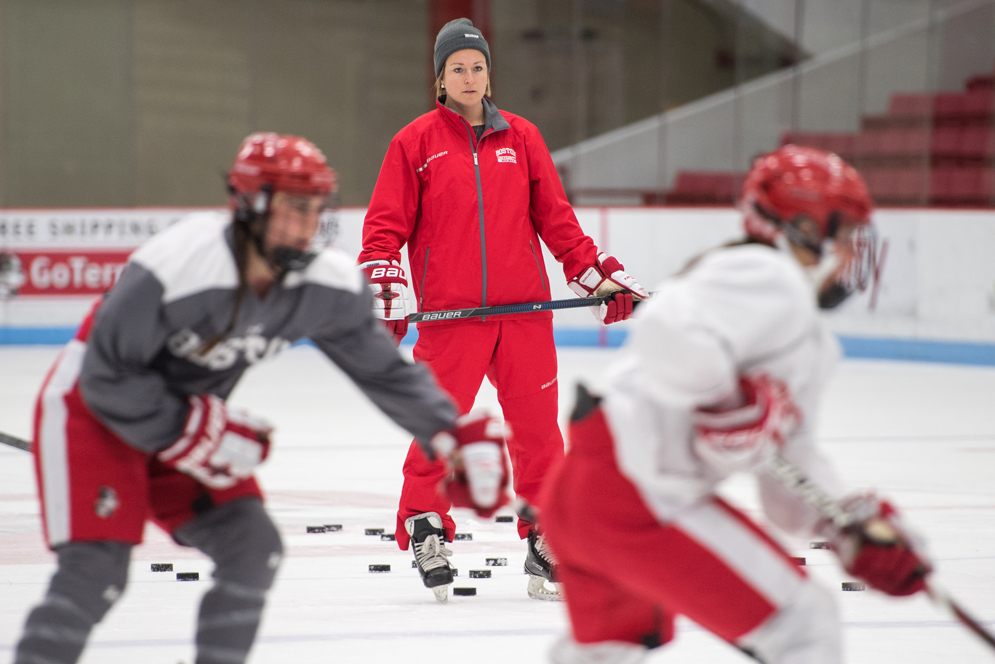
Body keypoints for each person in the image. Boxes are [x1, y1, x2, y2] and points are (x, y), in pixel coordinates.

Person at [13, 132, 508, 664]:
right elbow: (103, 379)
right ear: (250, 204)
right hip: (89, 418)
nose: (308, 223)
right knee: (95, 574)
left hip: (185, 421)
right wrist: (196, 430)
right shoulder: (176, 265)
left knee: (251, 546)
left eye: (316, 207)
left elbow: (385, 373)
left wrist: (449, 433)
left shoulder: (326, 283)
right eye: (294, 207)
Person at [539, 145, 932, 663]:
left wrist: (849, 524)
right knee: (803, 625)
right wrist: (726, 402)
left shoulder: (801, 331)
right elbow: (663, 331)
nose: (856, 252)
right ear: (807, 230)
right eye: (847, 233)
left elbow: (786, 484)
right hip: (636, 495)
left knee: (608, 652)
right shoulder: (765, 275)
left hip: (583, 495)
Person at [357, 17, 648, 602]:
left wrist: (599, 279)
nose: (469, 76)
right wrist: (386, 290)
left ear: (490, 73)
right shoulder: (413, 143)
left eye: (478, 66)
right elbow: (383, 232)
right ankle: (424, 525)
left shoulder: (523, 138)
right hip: (452, 320)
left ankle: (547, 537)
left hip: (523, 316)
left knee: (540, 436)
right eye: (457, 68)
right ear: (439, 79)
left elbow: (558, 224)